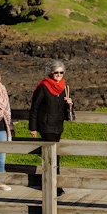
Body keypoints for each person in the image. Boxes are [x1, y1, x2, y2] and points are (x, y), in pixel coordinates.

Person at [29, 60, 73, 196]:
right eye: (56, 72)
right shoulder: (43, 87)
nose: (59, 74)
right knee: (50, 156)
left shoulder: (63, 87)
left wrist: (70, 103)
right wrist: (33, 128)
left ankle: (56, 185)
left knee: (56, 156)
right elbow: (34, 108)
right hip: (46, 125)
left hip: (58, 126)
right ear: (51, 72)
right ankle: (51, 185)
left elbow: (65, 109)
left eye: (61, 72)